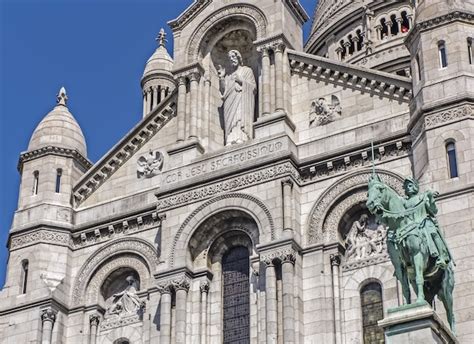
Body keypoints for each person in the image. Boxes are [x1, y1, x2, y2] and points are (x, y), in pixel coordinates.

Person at [402, 177, 451, 268]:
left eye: (410, 185)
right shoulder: (405, 203)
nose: (408, 188)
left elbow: (433, 210)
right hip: (410, 227)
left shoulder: (422, 197)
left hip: (423, 223)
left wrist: (431, 198)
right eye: (406, 187)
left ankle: (442, 256)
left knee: (433, 232)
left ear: (415, 186)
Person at [218, 50, 256, 146]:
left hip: (242, 99)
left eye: (234, 58)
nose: (232, 60)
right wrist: (222, 78)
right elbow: (224, 91)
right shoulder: (229, 76)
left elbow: (253, 87)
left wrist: (241, 81)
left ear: (239, 58)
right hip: (229, 102)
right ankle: (230, 139)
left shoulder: (247, 70)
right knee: (231, 122)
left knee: (239, 118)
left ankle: (241, 137)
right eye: (230, 59)